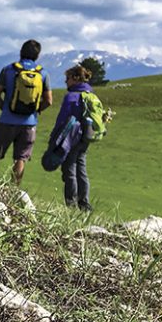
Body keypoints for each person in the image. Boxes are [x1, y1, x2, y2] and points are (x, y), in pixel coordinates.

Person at [0, 39, 52, 185]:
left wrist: (5, 108)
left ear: (21, 52)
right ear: (37, 55)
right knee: (21, 158)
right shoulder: (42, 73)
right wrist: (35, 111)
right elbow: (48, 100)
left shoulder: (9, 70)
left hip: (7, 120)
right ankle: (13, 190)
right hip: (29, 124)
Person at [51, 64, 94, 211]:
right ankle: (85, 203)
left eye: (67, 78)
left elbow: (62, 120)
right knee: (81, 169)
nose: (66, 81)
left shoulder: (71, 97)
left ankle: (71, 204)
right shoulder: (90, 95)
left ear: (75, 78)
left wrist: (54, 137)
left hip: (72, 137)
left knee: (69, 169)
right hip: (86, 136)